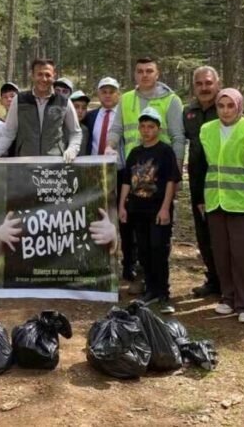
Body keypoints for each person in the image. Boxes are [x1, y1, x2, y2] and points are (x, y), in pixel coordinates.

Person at [189, 88, 244, 324]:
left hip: (242, 203)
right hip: (214, 200)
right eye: (221, 106)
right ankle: (228, 297)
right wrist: (200, 198)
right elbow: (200, 166)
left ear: (239, 106)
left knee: (242, 255)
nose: (226, 110)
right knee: (221, 252)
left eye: (230, 105)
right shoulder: (206, 130)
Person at [118, 107, 180, 312]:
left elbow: (172, 181)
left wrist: (165, 209)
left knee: (158, 249)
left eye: (151, 127)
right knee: (143, 250)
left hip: (157, 209)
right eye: (143, 126)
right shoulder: (135, 152)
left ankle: (162, 291)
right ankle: (150, 289)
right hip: (137, 209)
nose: (146, 130)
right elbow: (127, 180)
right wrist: (122, 206)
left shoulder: (165, 151)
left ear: (158, 129)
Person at [83, 77, 132, 283]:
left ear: (118, 94)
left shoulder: (125, 116)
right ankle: (96, 263)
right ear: (98, 94)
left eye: (112, 91)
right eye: (104, 91)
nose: (108, 95)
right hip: (95, 175)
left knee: (124, 220)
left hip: (121, 172)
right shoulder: (90, 117)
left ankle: (129, 265)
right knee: (96, 218)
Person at [0, 59, 81, 160]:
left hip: (54, 164)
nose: (44, 79)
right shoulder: (19, 100)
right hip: (25, 163)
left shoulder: (64, 102)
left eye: (48, 75)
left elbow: (75, 132)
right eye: (39, 74)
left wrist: (72, 149)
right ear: (32, 75)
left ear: (54, 76)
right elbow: (8, 133)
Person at [183, 65, 222, 298]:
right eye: (199, 83)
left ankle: (231, 282)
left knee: (224, 235)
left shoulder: (227, 106)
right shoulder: (189, 112)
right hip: (198, 180)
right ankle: (213, 279)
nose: (204, 88)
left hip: (224, 181)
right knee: (204, 234)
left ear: (217, 83)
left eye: (208, 83)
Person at [105, 57, 187, 167]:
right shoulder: (125, 99)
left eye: (149, 71)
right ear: (135, 75)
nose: (144, 75)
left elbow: (178, 138)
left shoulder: (171, 100)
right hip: (132, 165)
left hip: (162, 166)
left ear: (157, 74)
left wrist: (177, 170)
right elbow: (116, 129)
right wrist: (109, 146)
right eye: (140, 71)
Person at [70, 91, 92, 156]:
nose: (80, 111)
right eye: (76, 107)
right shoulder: (60, 129)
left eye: (84, 108)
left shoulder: (85, 130)